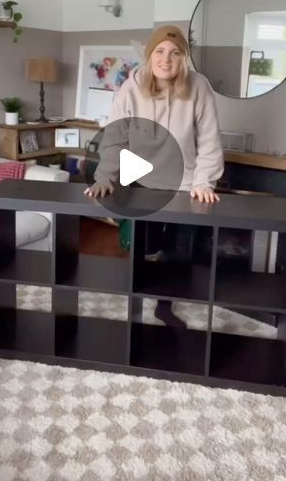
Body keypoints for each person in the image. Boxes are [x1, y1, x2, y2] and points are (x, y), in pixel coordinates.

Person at [84, 25, 224, 327]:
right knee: (140, 246)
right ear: (150, 56)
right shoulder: (130, 88)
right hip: (141, 179)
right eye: (159, 51)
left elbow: (210, 139)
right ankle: (137, 296)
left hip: (185, 183)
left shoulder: (199, 87)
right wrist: (105, 177)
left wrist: (204, 181)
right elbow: (115, 138)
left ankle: (164, 305)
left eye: (175, 53)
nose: (166, 59)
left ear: (183, 58)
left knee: (181, 249)